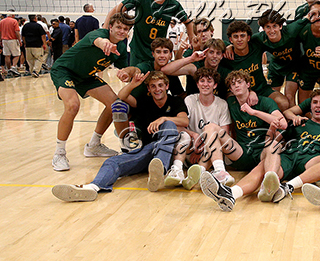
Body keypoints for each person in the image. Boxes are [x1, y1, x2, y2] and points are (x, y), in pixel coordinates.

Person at [200, 89, 320, 211]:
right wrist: (272, 128)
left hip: (310, 161)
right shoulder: (299, 123)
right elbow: (271, 140)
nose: (318, 106)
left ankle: (288, 186)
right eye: (314, 102)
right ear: (310, 106)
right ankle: (232, 193)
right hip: (288, 156)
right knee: (270, 150)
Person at [51, 71, 188, 201]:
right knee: (113, 162)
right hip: (148, 151)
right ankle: (93, 187)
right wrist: (133, 84)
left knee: (169, 125)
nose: (157, 89)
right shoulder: (144, 102)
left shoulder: (175, 101)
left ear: (167, 86)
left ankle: (160, 167)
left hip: (170, 151)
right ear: (148, 88)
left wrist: (163, 119)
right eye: (153, 86)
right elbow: (122, 96)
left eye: (160, 85)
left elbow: (184, 121)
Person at [50, 13, 133, 171]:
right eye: (118, 27)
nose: (122, 31)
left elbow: (123, 69)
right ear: (110, 27)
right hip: (65, 70)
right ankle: (59, 153)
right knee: (73, 105)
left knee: (115, 104)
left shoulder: (122, 47)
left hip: (86, 76)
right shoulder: (99, 34)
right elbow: (99, 41)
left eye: (125, 29)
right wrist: (105, 44)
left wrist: (126, 74)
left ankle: (94, 145)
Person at [103, 0, 196, 66]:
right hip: (138, 50)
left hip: (158, 53)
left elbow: (188, 22)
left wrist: (192, 38)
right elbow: (115, 11)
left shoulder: (173, 4)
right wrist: (104, 32)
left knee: (157, 76)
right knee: (135, 74)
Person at [164, 67, 232, 189]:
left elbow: (224, 134)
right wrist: (194, 135)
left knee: (214, 144)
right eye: (202, 81)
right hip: (190, 148)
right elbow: (179, 126)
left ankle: (198, 173)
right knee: (183, 135)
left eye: (209, 81)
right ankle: (177, 171)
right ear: (197, 84)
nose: (205, 84)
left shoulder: (222, 104)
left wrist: (203, 147)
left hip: (210, 150)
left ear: (215, 85)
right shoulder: (189, 100)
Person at [220, 21, 289, 110]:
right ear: (230, 39)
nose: (239, 39)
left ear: (248, 38)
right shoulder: (227, 56)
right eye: (236, 37)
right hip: (240, 93)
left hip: (262, 89)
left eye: (242, 36)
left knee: (283, 103)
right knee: (232, 105)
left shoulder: (256, 45)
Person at [0, 10, 22, 77]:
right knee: (17, 55)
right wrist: (19, 40)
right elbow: (16, 32)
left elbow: (0, 32)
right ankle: (13, 67)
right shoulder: (14, 21)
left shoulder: (1, 21)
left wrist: (0, 40)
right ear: (13, 15)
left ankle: (9, 69)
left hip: (4, 40)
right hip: (13, 40)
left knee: (7, 55)